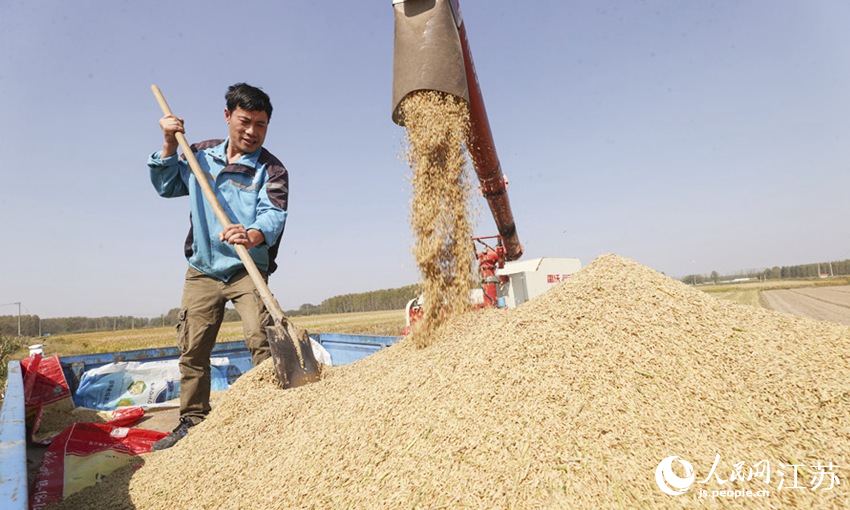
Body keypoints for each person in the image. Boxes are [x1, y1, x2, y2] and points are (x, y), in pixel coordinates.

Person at [147, 83, 288, 450]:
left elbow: (273, 216)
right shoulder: (199, 155)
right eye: (245, 121)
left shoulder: (271, 170)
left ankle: (278, 416)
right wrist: (167, 143)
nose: (252, 131)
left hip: (247, 270)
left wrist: (252, 233)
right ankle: (192, 420)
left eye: (261, 124)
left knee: (263, 337)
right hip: (204, 269)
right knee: (192, 348)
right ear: (228, 117)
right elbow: (166, 185)